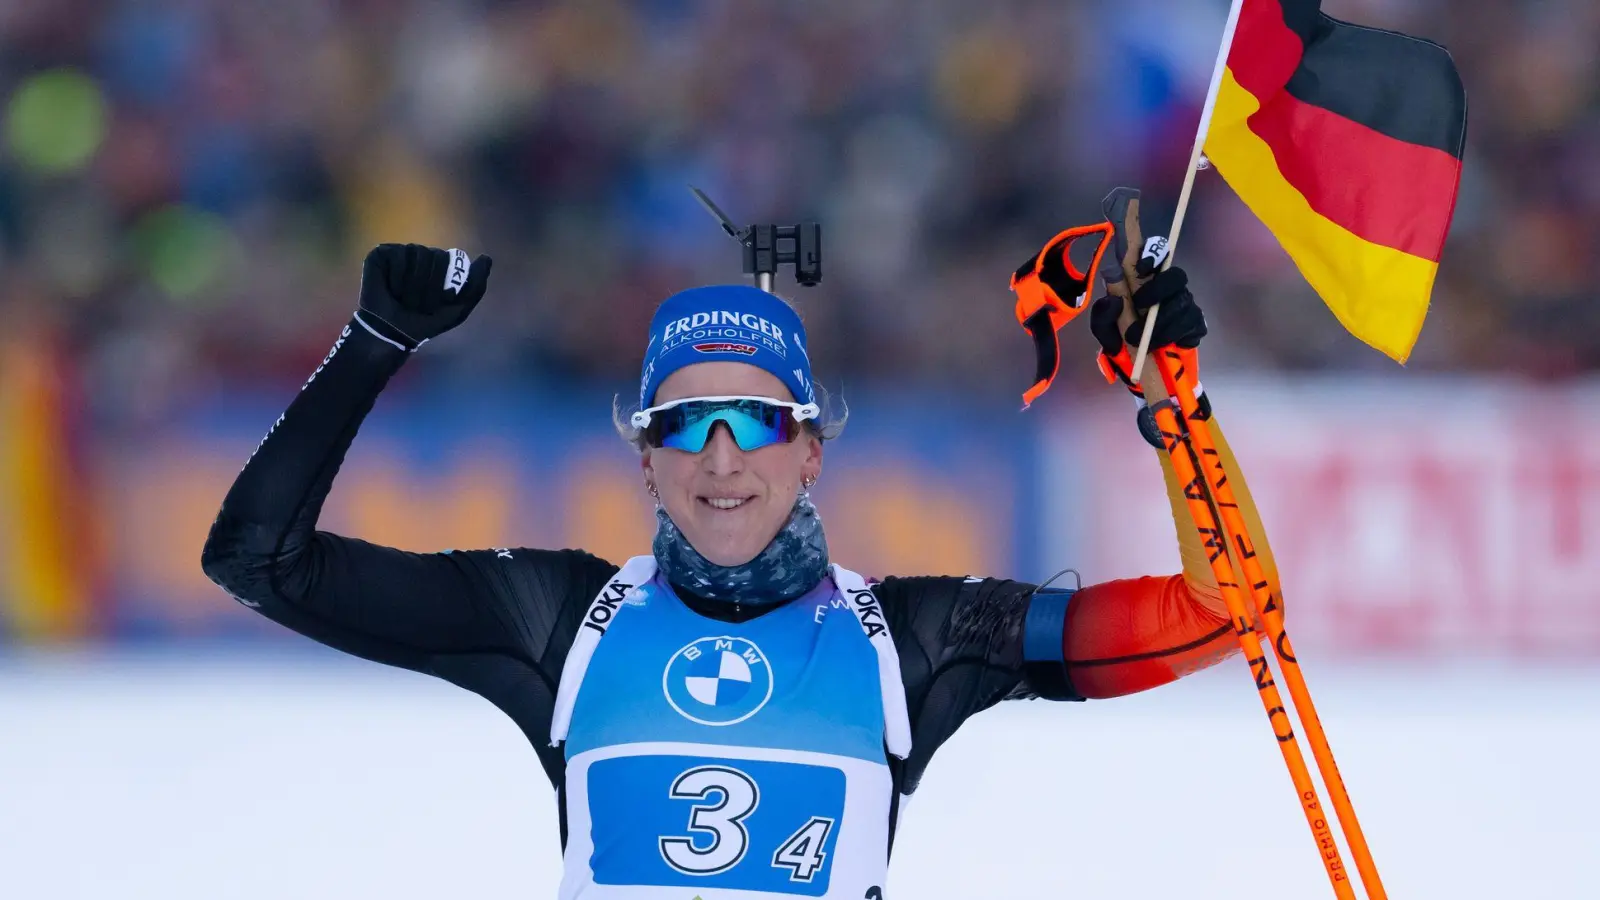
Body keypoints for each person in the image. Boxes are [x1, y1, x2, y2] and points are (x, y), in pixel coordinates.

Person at [202, 236, 1281, 899]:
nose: (722, 458)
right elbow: (258, 561)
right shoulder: (557, 617)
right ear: (644, 457)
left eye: (757, 423)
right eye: (686, 424)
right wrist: (374, 339)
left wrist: (1176, 408)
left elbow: (1219, 611)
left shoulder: (913, 641)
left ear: (812, 450)